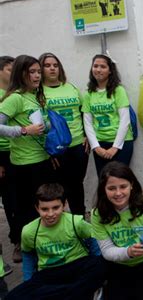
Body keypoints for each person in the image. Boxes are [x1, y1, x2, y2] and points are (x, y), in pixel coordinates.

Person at [0, 55, 57, 263]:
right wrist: (24, 130)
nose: (36, 76)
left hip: (42, 161)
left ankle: (46, 252)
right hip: (24, 166)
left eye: (38, 72)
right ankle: (30, 257)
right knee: (29, 213)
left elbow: (41, 128)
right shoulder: (15, 98)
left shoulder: (35, 96)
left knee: (46, 209)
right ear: (20, 74)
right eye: (31, 72)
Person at [6, 183, 105, 300]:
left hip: (78, 267)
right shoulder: (29, 231)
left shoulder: (75, 222)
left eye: (55, 208)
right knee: (13, 297)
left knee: (101, 265)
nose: (50, 214)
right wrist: (28, 282)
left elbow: (93, 241)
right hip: (49, 273)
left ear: (64, 205)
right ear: (37, 208)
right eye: (44, 209)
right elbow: (28, 255)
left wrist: (97, 265)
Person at [91, 161, 143, 300]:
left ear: (131, 185)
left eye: (123, 186)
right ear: (103, 189)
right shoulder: (97, 214)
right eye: (111, 188)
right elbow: (106, 250)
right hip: (118, 264)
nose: (118, 193)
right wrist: (128, 252)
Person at [39, 53, 89, 215]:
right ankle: (61, 225)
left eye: (55, 65)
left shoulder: (71, 87)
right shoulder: (38, 92)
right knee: (59, 188)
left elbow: (84, 113)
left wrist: (86, 135)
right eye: (47, 65)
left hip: (78, 145)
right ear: (41, 69)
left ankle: (80, 220)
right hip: (56, 149)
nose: (52, 68)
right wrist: (47, 151)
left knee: (77, 185)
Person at [82, 54, 134, 176]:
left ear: (110, 71)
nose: (98, 69)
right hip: (100, 144)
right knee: (103, 181)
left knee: (121, 179)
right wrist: (96, 147)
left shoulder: (118, 90)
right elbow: (87, 123)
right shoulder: (89, 94)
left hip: (122, 144)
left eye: (103, 67)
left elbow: (125, 121)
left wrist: (115, 147)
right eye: (95, 66)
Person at [0, 56, 15, 260]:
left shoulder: (15, 93)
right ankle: (16, 241)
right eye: (10, 70)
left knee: (16, 197)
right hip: (2, 153)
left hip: (17, 151)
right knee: (9, 200)